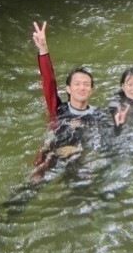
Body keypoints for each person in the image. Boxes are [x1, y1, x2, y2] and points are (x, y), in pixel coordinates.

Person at [31, 21, 111, 181]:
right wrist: (43, 50)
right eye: (77, 84)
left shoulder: (98, 114)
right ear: (68, 89)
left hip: (77, 158)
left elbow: (104, 141)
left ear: (91, 90)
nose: (82, 88)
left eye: (86, 84)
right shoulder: (58, 108)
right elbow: (49, 82)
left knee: (83, 181)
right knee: (33, 182)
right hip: (51, 154)